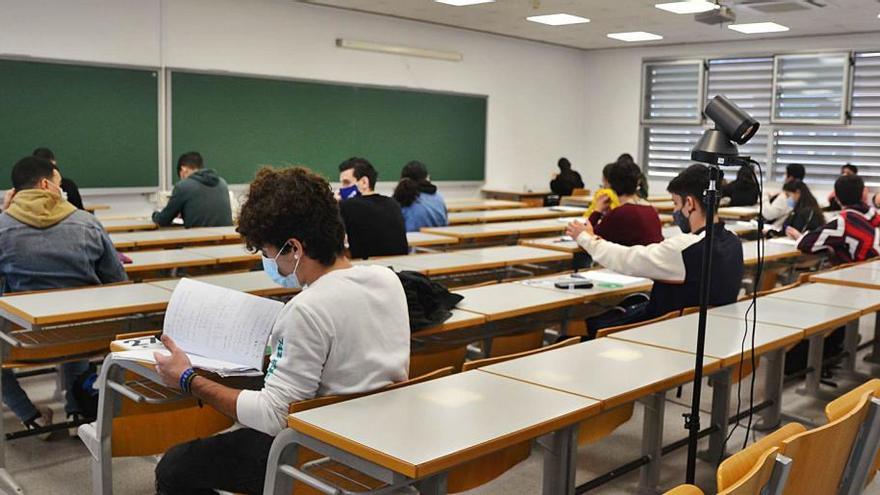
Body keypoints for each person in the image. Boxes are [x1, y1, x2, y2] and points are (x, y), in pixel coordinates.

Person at [153, 166, 410, 494]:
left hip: (319, 452)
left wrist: (189, 379)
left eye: (267, 252)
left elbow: (273, 416)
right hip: (383, 439)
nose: (268, 261)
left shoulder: (307, 310)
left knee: (177, 467)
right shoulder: (387, 280)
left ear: (293, 248)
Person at [0, 156, 127, 433]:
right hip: (87, 335)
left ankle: (29, 415)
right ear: (46, 184)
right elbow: (118, 281)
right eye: (59, 183)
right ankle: (77, 408)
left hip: (25, 341)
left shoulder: (2, 227)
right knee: (74, 317)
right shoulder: (87, 223)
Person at [566, 164, 744, 321]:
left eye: (676, 203)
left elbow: (626, 259)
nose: (675, 211)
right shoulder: (734, 241)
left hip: (667, 336)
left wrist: (585, 238)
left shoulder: (685, 249)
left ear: (689, 204)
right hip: (713, 332)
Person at [798, 174, 880, 264]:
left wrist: (798, 236)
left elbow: (805, 244)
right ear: (863, 195)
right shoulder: (874, 215)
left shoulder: (843, 222)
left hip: (862, 274)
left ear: (836, 198)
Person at [337, 157, 408, 259]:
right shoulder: (393, 203)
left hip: (367, 270)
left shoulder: (347, 206)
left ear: (364, 182)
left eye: (346, 183)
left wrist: (332, 204)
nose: (341, 189)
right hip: (398, 270)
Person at [586, 161, 662, 246]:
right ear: (638, 182)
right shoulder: (651, 210)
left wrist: (597, 210)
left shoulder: (621, 213)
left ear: (609, 184)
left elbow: (586, 238)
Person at [152, 152, 233, 228]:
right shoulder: (222, 183)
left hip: (198, 240)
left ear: (183, 169)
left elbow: (163, 221)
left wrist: (155, 215)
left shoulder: (183, 186)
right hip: (227, 238)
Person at [393, 160, 448, 232]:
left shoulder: (401, 199)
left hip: (410, 241)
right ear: (427, 177)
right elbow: (445, 223)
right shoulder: (438, 198)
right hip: (440, 240)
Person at [763, 163, 806, 228]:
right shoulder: (803, 193)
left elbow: (769, 214)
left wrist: (764, 197)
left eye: (785, 174)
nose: (784, 176)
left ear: (790, 177)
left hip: (775, 229)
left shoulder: (786, 195)